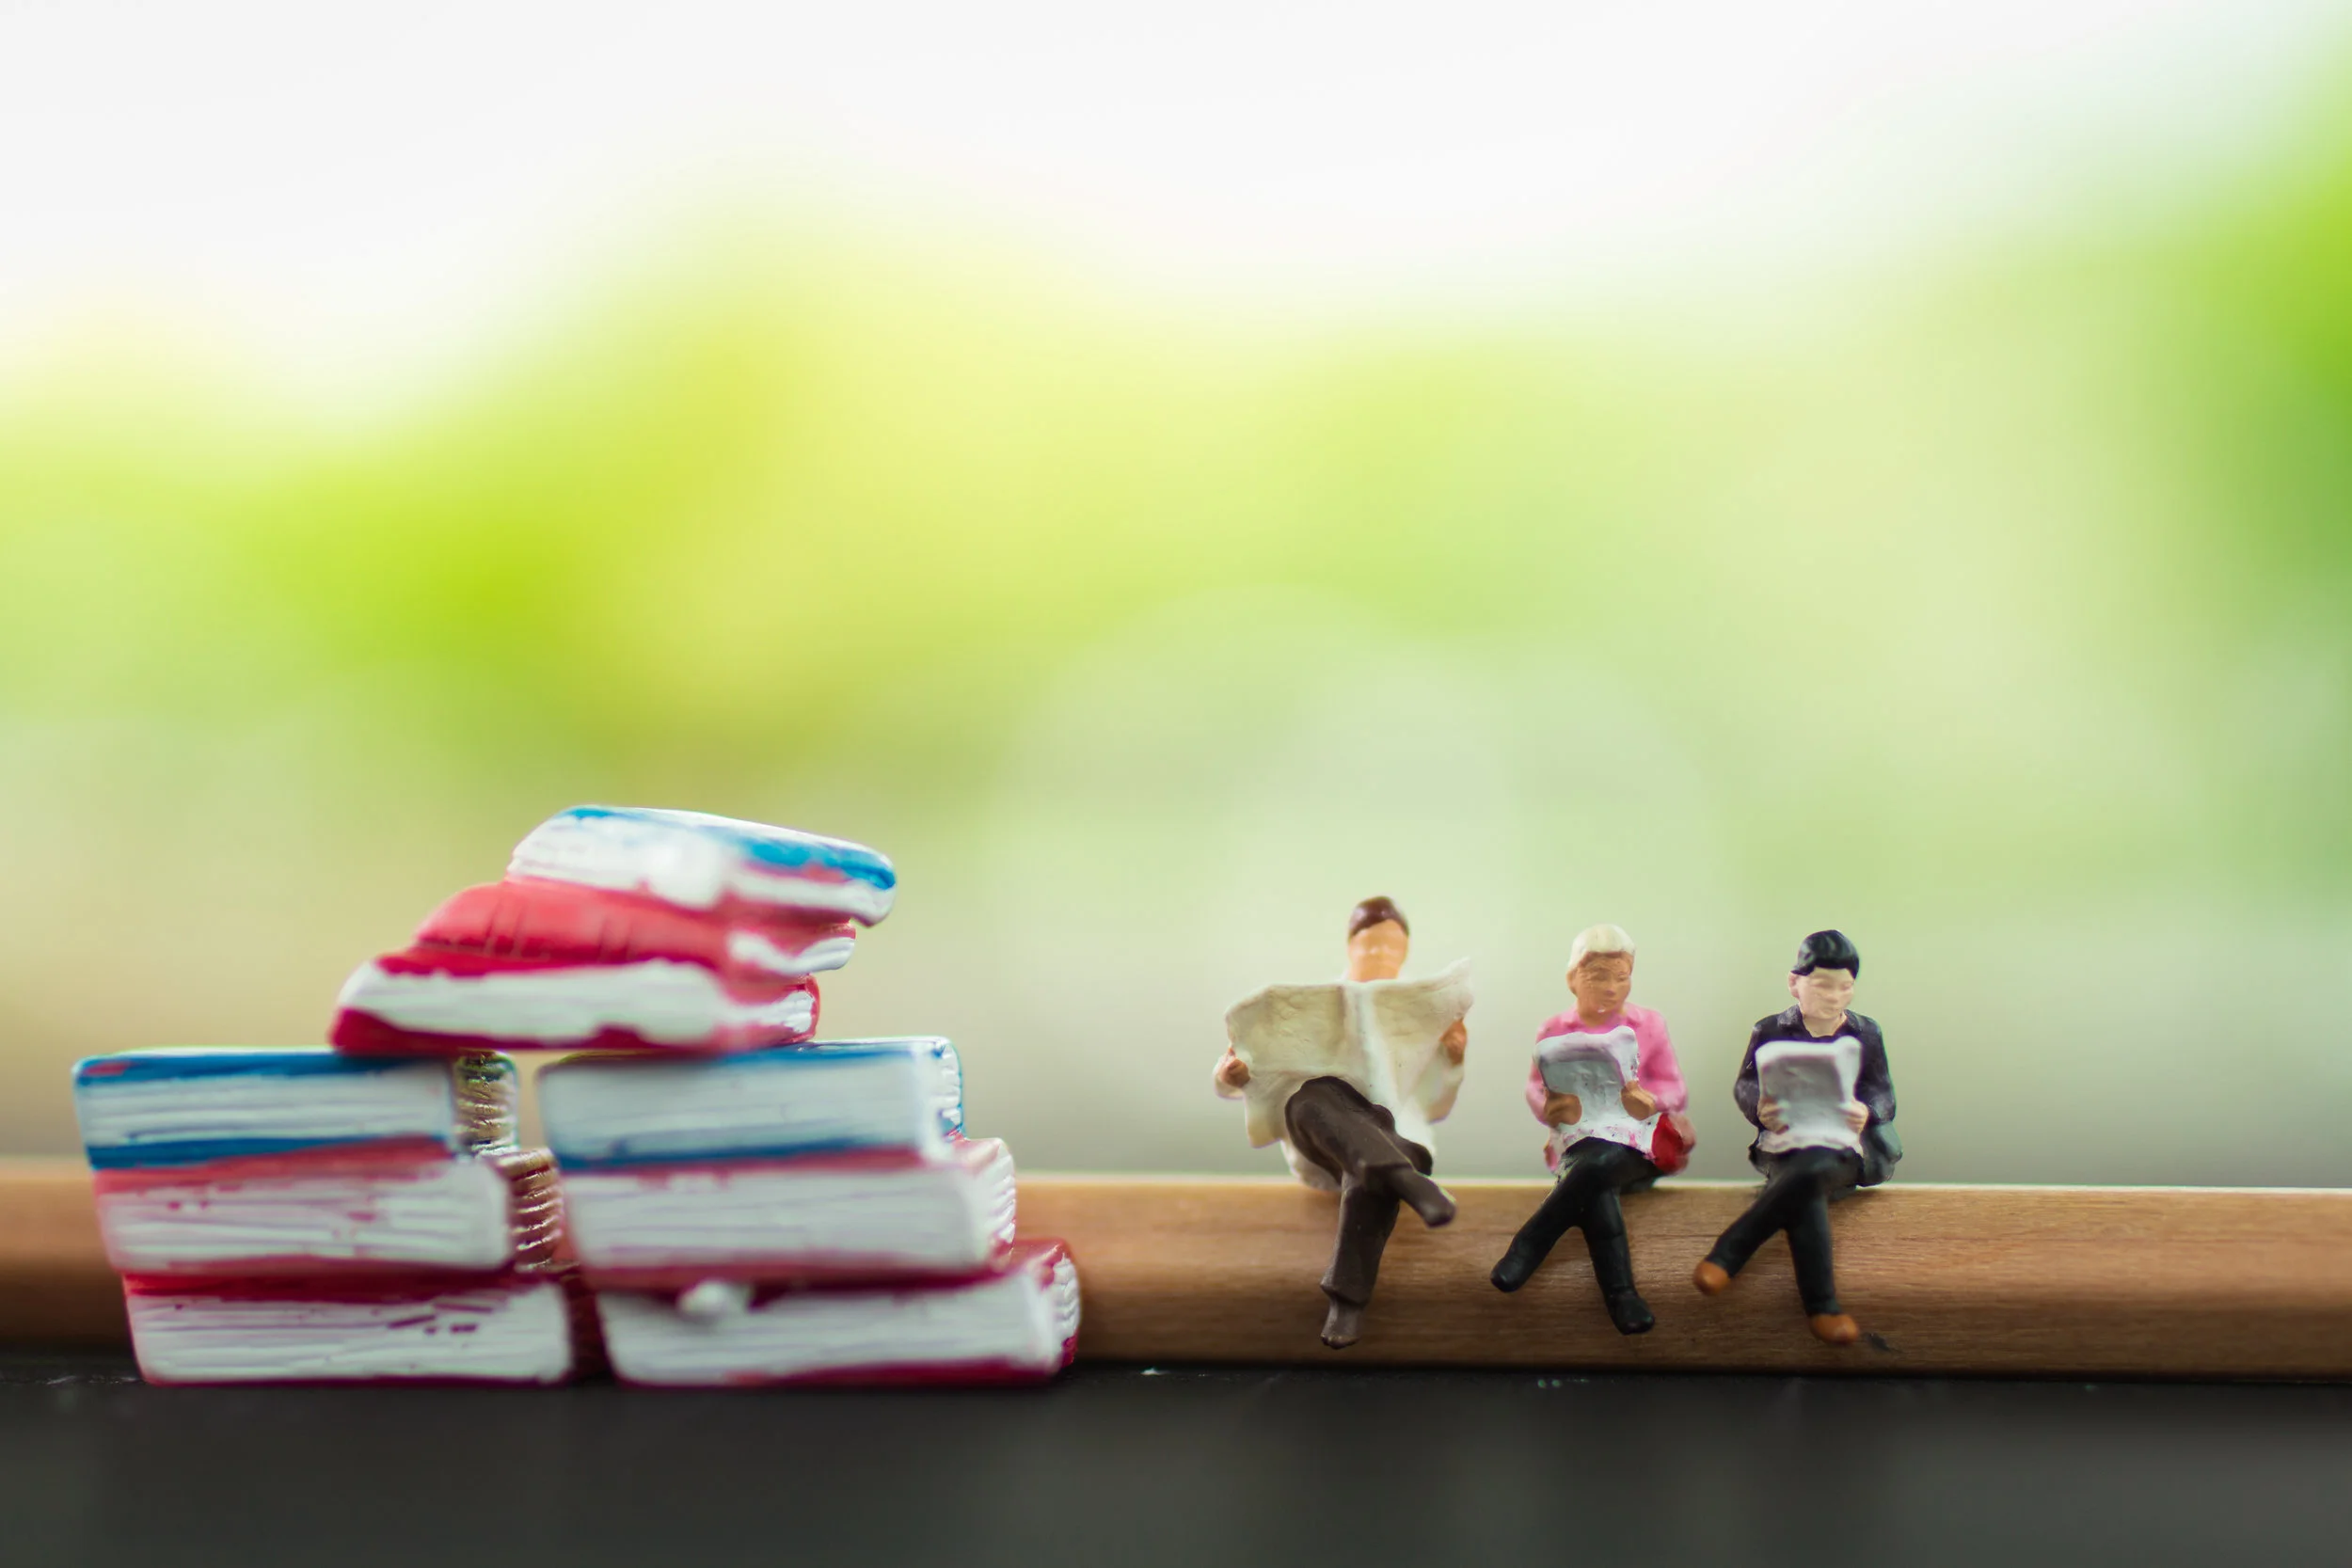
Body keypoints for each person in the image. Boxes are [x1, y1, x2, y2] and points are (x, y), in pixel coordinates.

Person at [1214, 896, 1469, 1349]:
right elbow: (1256, 1061)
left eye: (1392, 950)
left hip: (1395, 1135)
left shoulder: (1420, 1007)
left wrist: (1452, 1054)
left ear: (1405, 953)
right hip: (1325, 1130)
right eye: (1371, 948)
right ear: (1351, 948)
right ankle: (1410, 1184)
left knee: (1368, 1177)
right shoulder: (1309, 1004)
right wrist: (1235, 1073)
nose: (1381, 958)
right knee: (1310, 1099)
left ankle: (1347, 1303)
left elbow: (1435, 1096)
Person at [1693, 928, 1901, 1345]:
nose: (1834, 997)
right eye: (1823, 986)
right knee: (1807, 1181)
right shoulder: (1770, 1029)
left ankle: (1728, 1254)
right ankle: (1823, 1309)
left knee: (1814, 1170)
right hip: (1786, 1138)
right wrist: (1760, 1108)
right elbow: (1745, 1085)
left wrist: (1868, 1110)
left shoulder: (1865, 1032)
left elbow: (1883, 1093)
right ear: (1795, 983)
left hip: (1843, 1141)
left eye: (1845, 988)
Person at [1488, 925, 1692, 1335]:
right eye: (1599, 976)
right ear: (1573, 979)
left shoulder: (1649, 1024)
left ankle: (1529, 1243)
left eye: (1622, 976)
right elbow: (1534, 1085)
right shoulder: (1553, 1030)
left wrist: (1648, 1099)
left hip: (1636, 1139)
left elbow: (1674, 1086)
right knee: (1595, 1175)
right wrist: (1551, 1105)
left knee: (1596, 1164)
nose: (1613, 987)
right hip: (1580, 1136)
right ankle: (1622, 1296)